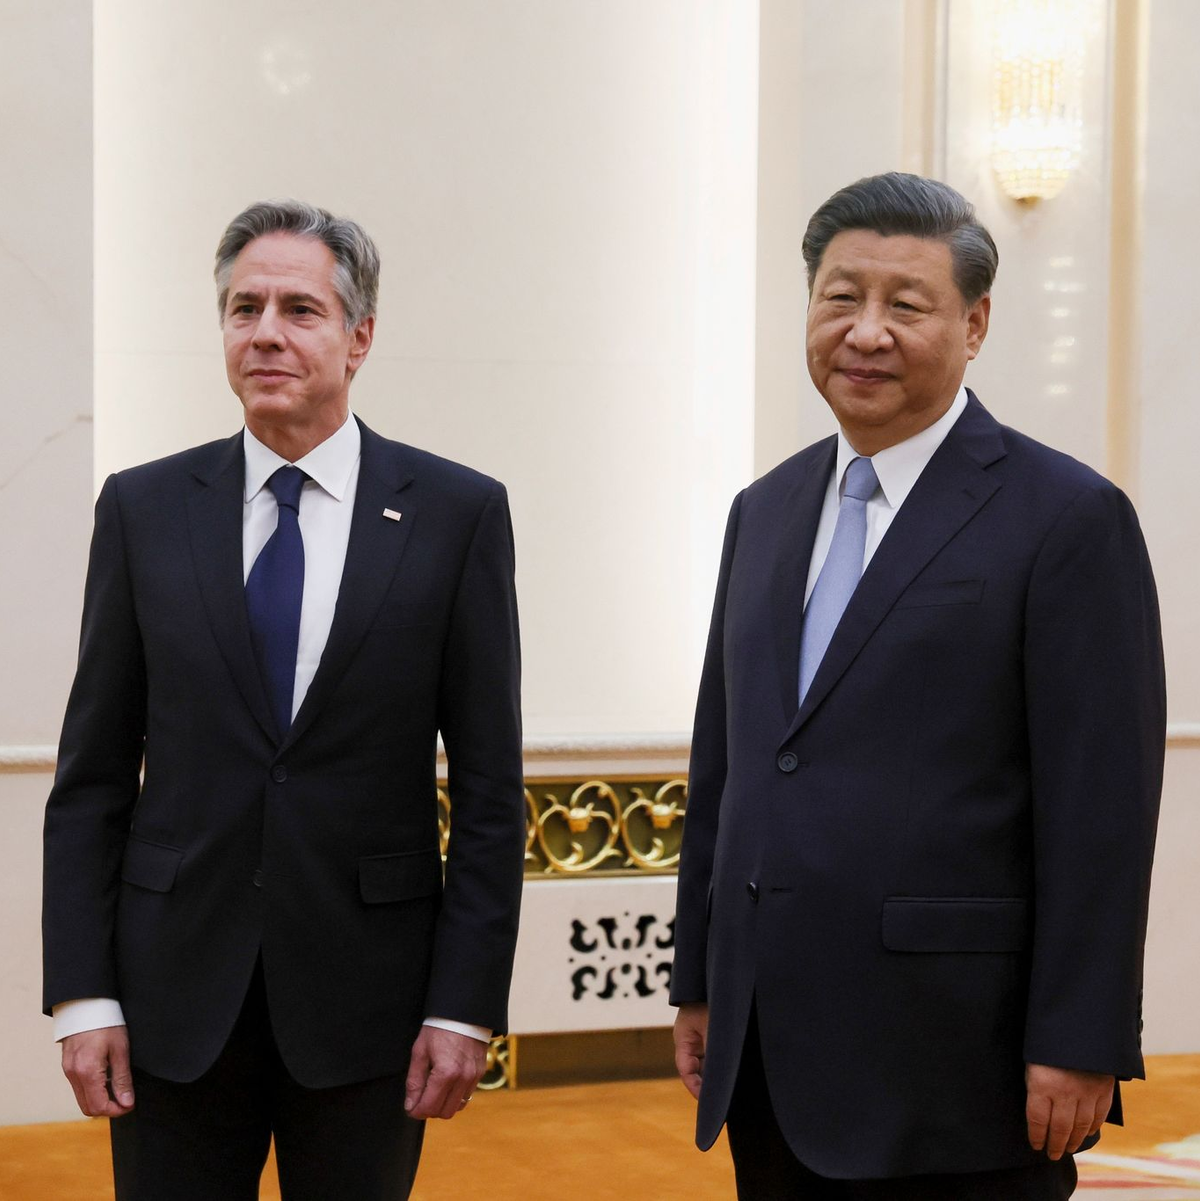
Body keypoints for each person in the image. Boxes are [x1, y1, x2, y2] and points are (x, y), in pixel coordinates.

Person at [670, 172, 1165, 1200]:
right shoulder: (762, 512)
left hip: (958, 1066)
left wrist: (1081, 1035)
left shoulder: (1066, 517)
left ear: (975, 323)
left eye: (907, 304)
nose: (866, 331)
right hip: (769, 1051)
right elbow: (729, 769)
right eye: (841, 297)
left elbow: (1101, 809)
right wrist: (702, 982)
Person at [42, 199, 525, 1200]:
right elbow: (90, 776)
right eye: (242, 307)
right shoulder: (143, 510)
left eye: (299, 309)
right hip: (171, 1000)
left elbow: (488, 790)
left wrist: (465, 1005)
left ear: (360, 337)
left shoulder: (457, 513)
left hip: (372, 1007)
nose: (264, 331)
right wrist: (83, 995)